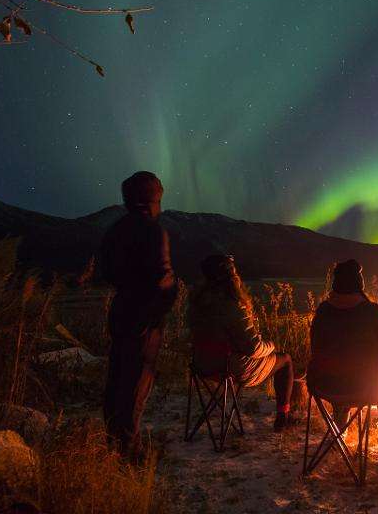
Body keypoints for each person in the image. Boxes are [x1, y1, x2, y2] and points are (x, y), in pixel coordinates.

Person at [98, 171, 179, 458]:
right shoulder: (153, 230)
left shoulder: (115, 230)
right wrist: (167, 298)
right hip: (144, 317)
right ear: (152, 198)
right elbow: (162, 278)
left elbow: (105, 271)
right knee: (136, 384)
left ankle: (112, 440)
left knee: (117, 378)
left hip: (121, 311)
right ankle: (128, 451)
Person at [188, 254, 296, 430]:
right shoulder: (232, 306)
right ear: (232, 276)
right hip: (231, 367)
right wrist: (271, 346)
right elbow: (253, 347)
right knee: (285, 360)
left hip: (202, 364)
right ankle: (283, 416)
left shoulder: (196, 303)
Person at [307, 259, 378, 451]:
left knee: (341, 373)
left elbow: (316, 349)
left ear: (336, 284)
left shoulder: (323, 310)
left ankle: (339, 428)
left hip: (324, 384)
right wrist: (367, 364)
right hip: (362, 384)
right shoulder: (371, 311)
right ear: (360, 284)